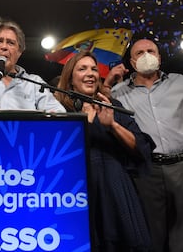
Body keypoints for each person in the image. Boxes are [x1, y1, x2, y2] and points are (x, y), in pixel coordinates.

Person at [55, 51, 154, 251]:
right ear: (71, 79)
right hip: (79, 194)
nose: (90, 73)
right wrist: (87, 121)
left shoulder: (113, 106)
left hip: (116, 189)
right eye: (82, 69)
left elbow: (141, 148)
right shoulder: (60, 110)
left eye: (93, 69)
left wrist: (113, 125)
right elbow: (59, 157)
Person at [104, 38, 183, 252]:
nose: (146, 55)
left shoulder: (180, 82)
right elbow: (99, 103)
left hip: (180, 166)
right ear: (131, 62)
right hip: (148, 170)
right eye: (140, 53)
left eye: (151, 51)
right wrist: (108, 82)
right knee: (153, 235)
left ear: (159, 57)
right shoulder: (119, 92)